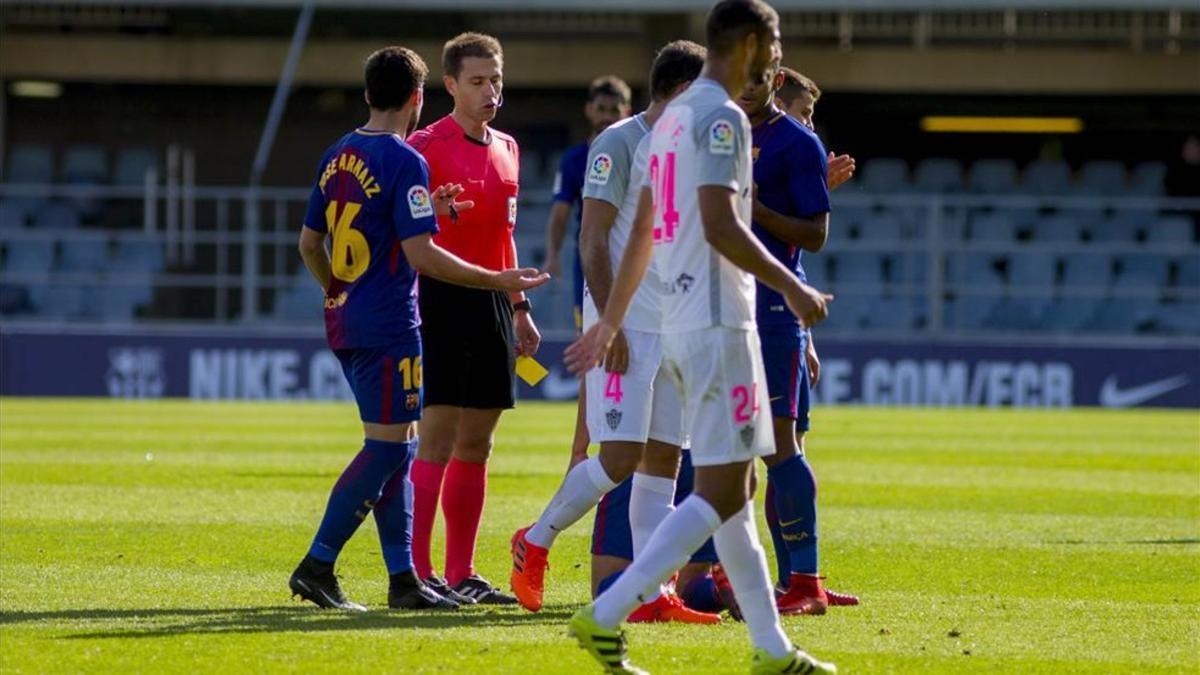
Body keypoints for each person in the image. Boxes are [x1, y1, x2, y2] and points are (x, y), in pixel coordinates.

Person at [564, 2, 836, 673]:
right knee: (721, 491)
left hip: (679, 325)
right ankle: (606, 613)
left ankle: (771, 648)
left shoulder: (672, 118)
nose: (778, 54)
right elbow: (719, 224)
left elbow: (643, 232)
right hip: (719, 323)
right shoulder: (720, 119)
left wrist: (614, 315)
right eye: (773, 41)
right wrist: (793, 288)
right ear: (749, 43)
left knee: (734, 488)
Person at [287, 45, 548, 612]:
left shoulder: (336, 154)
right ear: (420, 97)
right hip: (396, 320)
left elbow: (310, 243)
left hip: (349, 316)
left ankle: (406, 578)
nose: (490, 89)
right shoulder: (410, 155)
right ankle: (318, 563)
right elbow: (423, 256)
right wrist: (501, 279)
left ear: (366, 93)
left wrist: (338, 287)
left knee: (400, 449)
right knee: (389, 451)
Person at [509, 40, 717, 625]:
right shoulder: (619, 143)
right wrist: (609, 321)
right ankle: (537, 538)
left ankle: (651, 596)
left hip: (673, 326)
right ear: (679, 91)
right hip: (627, 326)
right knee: (621, 456)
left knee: (663, 464)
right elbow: (592, 239)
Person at [407, 32, 540, 605]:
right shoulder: (423, 146)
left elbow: (504, 237)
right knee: (435, 439)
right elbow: (404, 234)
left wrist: (520, 309)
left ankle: (461, 574)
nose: (491, 92)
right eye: (479, 81)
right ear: (452, 85)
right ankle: (416, 573)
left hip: (492, 299)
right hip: (436, 297)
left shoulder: (508, 147)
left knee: (478, 444)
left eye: (497, 80)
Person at [736, 58, 859, 615]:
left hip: (771, 314)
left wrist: (753, 208)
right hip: (721, 310)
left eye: (757, 74)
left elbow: (815, 235)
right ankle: (787, 580)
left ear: (775, 78)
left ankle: (802, 582)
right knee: (742, 454)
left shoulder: (796, 143)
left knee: (782, 448)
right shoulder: (717, 132)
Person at [544, 76, 633, 482]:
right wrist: (551, 254)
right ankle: (584, 449)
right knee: (596, 357)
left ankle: (624, 441)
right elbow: (562, 213)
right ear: (589, 110)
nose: (607, 116)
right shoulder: (576, 159)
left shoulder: (636, 150)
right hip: (594, 270)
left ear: (626, 112)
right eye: (602, 109)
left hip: (640, 267)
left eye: (615, 110)